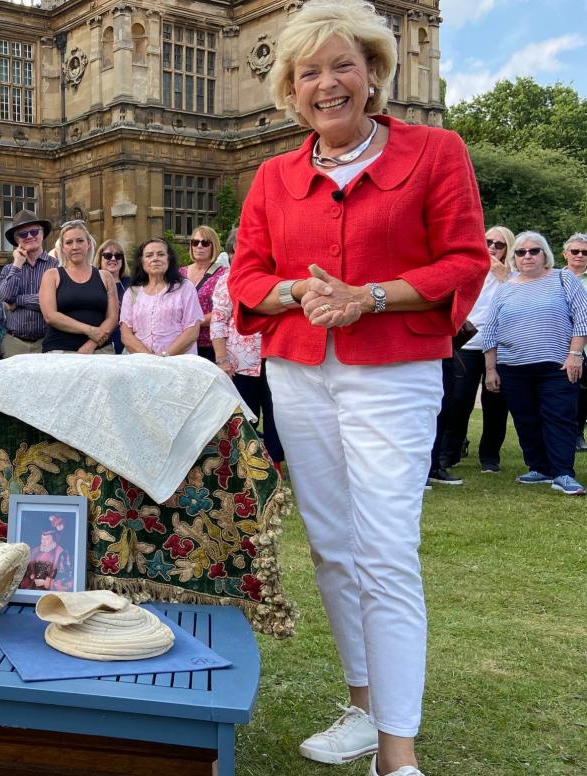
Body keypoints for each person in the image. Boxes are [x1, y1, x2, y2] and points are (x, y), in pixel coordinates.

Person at [227, 2, 489, 774]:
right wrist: (291, 295)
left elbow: (464, 261)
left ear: (373, 72)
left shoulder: (435, 152)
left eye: (342, 65)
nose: (326, 83)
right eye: (307, 71)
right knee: (334, 551)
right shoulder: (273, 175)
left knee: (384, 551)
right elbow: (246, 276)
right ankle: (363, 708)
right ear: (289, 88)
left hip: (392, 370)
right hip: (299, 371)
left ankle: (395, 757)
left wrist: (368, 296)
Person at [481, 231, 587, 494]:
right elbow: (490, 330)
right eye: (520, 252)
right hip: (513, 367)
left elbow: (582, 318)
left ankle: (563, 473)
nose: (527, 256)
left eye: (534, 250)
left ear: (545, 254)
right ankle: (538, 467)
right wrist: (491, 369)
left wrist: (574, 355)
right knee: (525, 419)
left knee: (559, 418)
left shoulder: (563, 279)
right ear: (514, 257)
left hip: (557, 366)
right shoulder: (504, 290)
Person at [434, 226, 514, 477]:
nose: (492, 247)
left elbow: (519, 301)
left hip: (498, 345)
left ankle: (490, 457)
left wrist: (504, 276)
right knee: (458, 401)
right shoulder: (470, 268)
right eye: (488, 241)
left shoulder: (513, 275)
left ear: (507, 249)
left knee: (496, 403)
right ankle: (449, 453)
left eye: (499, 244)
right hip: (468, 343)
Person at [210, 265, 284, 470]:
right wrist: (222, 359)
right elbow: (218, 320)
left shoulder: (277, 275)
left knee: (276, 413)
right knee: (244, 415)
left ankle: (274, 463)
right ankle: (245, 466)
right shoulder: (228, 279)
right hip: (240, 361)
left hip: (276, 356)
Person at [38, 221, 117, 354]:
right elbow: (50, 316)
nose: (75, 247)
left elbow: (112, 317)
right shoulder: (52, 275)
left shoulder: (105, 277)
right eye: (69, 242)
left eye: (80, 241)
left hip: (100, 349)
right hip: (60, 350)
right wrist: (89, 330)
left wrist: (91, 344)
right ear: (62, 247)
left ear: (88, 244)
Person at [118, 238, 202, 357]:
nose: (155, 259)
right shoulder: (132, 292)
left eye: (161, 254)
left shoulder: (185, 288)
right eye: (149, 255)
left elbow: (192, 330)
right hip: (141, 364)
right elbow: (126, 334)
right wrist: (150, 359)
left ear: (169, 259)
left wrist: (164, 356)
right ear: (142, 261)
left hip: (178, 361)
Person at [0, 210, 57, 356]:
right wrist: (17, 264)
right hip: (13, 343)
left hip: (46, 341)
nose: (29, 236)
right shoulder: (9, 269)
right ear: (17, 240)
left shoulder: (56, 266)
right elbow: (5, 297)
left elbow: (55, 301)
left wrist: (18, 301)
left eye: (34, 232)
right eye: (23, 234)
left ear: (42, 234)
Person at [180, 225, 225, 360]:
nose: (199, 246)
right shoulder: (180, 273)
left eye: (205, 243)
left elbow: (223, 311)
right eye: (195, 242)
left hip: (209, 344)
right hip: (182, 343)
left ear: (214, 246)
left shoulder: (223, 275)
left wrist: (193, 324)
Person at [562, 233, 587, 450]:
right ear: (565, 254)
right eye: (575, 251)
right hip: (560, 344)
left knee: (584, 392)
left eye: (584, 252)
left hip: (585, 345)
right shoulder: (554, 278)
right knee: (565, 391)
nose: (579, 255)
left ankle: (578, 432)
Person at [95, 239, 130, 353]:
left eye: (118, 255)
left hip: (128, 342)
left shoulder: (132, 284)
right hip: (100, 343)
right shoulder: (91, 283)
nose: (113, 259)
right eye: (108, 255)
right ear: (100, 259)